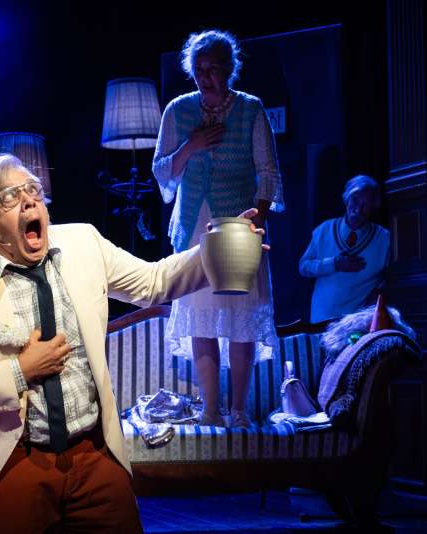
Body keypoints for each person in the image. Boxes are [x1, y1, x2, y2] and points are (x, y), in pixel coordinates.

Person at [0, 154, 266, 533]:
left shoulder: (84, 243)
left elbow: (154, 282)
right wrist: (19, 372)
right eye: (10, 197)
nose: (29, 200)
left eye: (33, 190)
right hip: (10, 458)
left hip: (92, 452)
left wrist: (215, 248)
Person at [152, 30, 285, 428]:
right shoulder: (178, 110)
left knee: (241, 318)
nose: (205, 77)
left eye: (213, 69)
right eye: (198, 69)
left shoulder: (250, 109)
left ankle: (239, 411)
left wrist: (258, 216)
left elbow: (268, 171)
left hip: (239, 225)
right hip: (194, 227)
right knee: (201, 316)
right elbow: (162, 170)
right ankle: (211, 410)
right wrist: (191, 146)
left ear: (229, 69)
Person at [299, 175, 390, 323]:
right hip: (322, 319)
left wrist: (377, 296)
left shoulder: (384, 238)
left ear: (374, 206)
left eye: (366, 204)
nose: (358, 209)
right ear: (346, 199)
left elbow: (391, 278)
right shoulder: (324, 230)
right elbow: (303, 267)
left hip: (359, 322)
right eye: (355, 200)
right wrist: (334, 263)